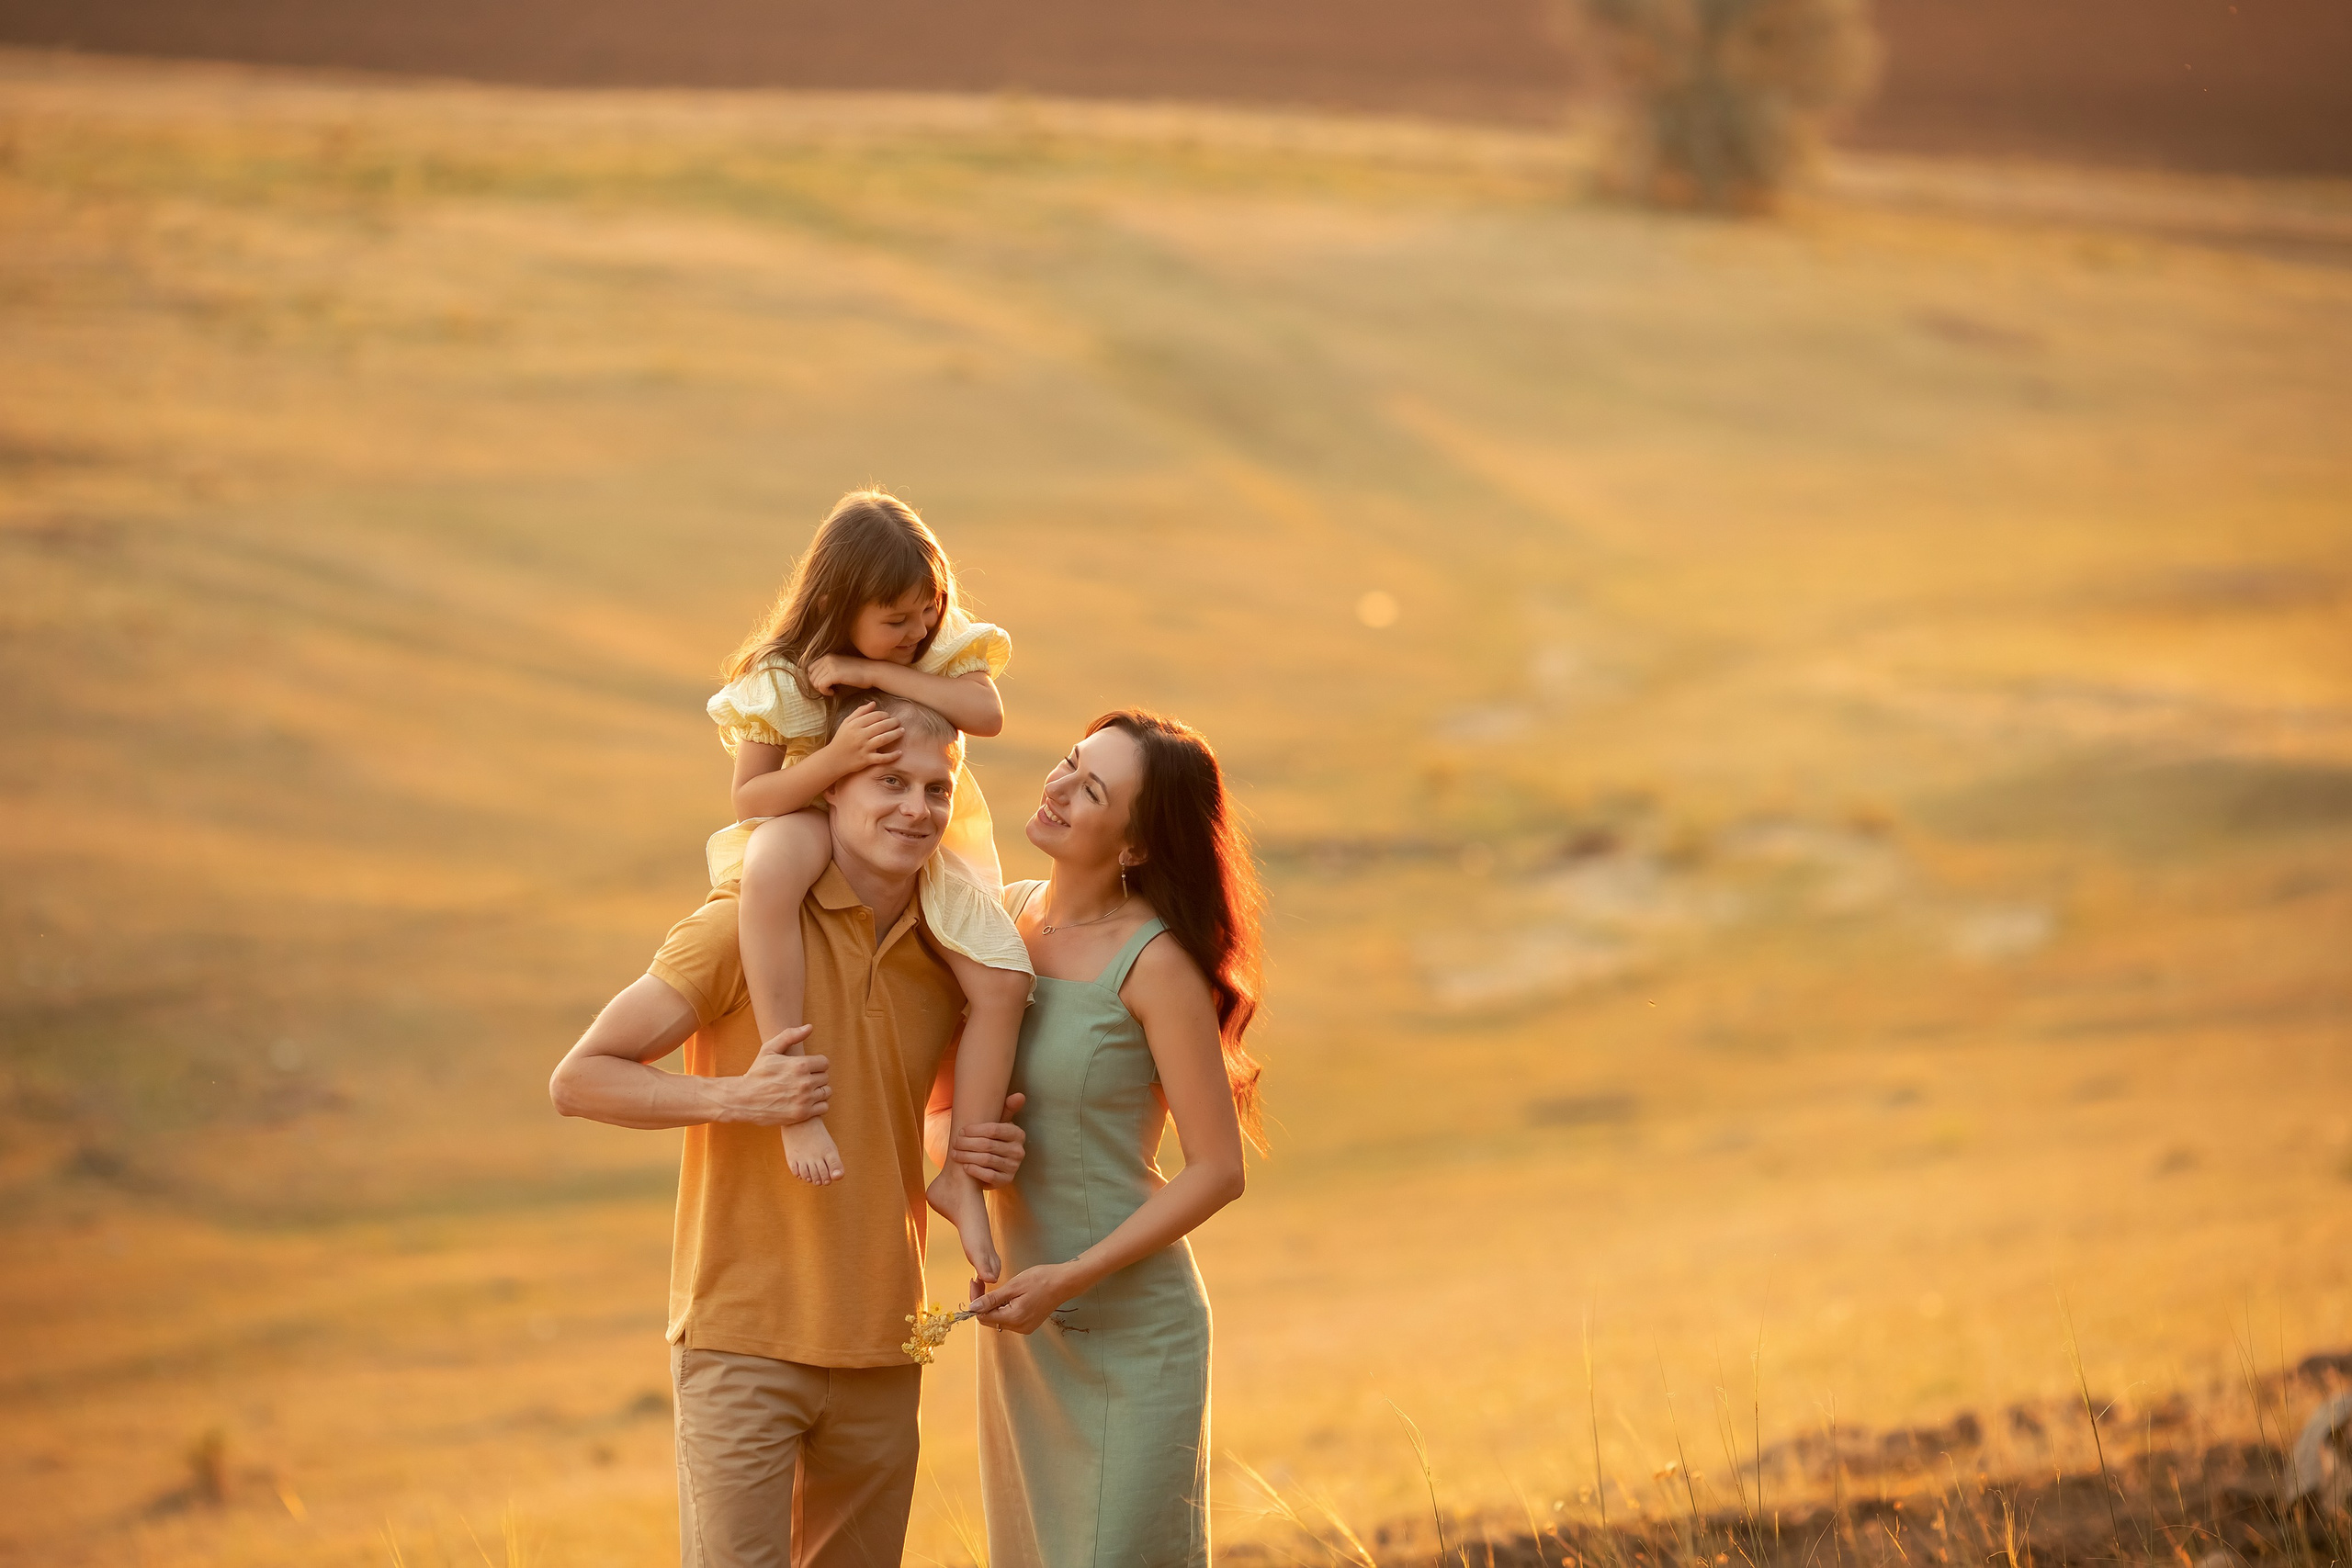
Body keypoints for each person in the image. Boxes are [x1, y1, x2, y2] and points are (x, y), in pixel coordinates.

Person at [548, 694, 1027, 1568]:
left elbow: (922, 1113)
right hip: (743, 1339)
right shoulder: (739, 927)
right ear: (831, 789)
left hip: (885, 1340)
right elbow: (580, 1079)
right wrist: (741, 1098)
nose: (916, 809)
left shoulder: (950, 947)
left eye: (936, 787)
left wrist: (970, 1142)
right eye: (890, 781)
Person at [705, 489, 1032, 1285]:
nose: (920, 630)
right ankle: (792, 1093)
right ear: (837, 601)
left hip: (920, 829)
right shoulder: (779, 677)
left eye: (929, 610)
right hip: (817, 814)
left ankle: (959, 1166)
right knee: (775, 863)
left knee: (1003, 976)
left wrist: (867, 668)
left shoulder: (924, 648)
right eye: (898, 618)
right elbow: (752, 799)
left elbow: (984, 713)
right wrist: (838, 758)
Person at [967, 710, 1265, 1568]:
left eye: (1091, 788)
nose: (1057, 787)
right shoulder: (1000, 919)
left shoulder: (1154, 963)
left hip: (1131, 1328)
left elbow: (1218, 1170)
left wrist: (1071, 1277)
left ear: (1135, 844)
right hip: (1027, 1326)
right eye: (1069, 763)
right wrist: (958, 1145)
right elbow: (945, 1093)